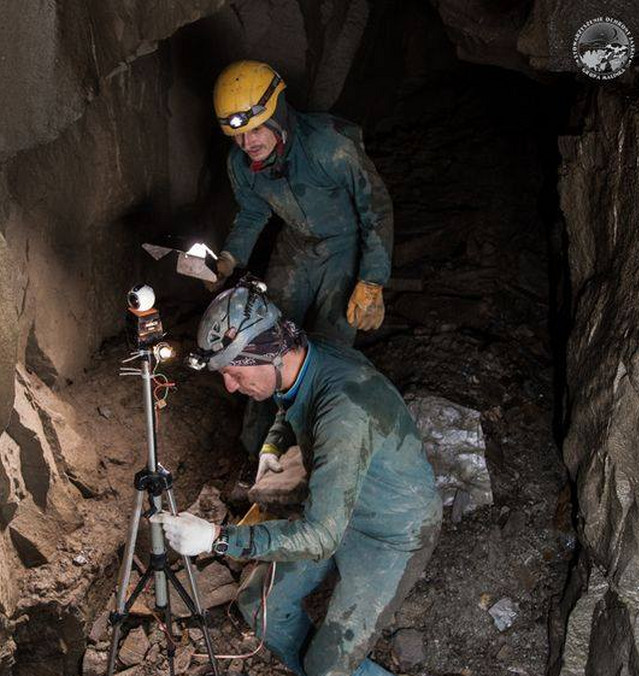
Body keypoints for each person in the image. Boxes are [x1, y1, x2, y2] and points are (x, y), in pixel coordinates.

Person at [158, 279, 441, 676]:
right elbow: (286, 402)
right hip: (338, 505)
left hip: (392, 532)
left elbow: (321, 536)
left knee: (328, 666)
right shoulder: (302, 354)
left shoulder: (343, 413)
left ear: (269, 352)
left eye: (236, 374)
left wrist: (217, 539)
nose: (230, 386)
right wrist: (273, 445)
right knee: (259, 608)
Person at [209, 59, 395, 453]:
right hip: (295, 249)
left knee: (328, 346)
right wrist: (228, 258)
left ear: (277, 113)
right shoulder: (242, 164)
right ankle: (258, 450)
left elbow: (375, 209)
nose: (248, 143)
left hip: (344, 248)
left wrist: (373, 278)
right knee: (260, 340)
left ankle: (311, 449)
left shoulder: (329, 146)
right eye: (238, 135)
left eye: (256, 129)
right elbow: (254, 213)